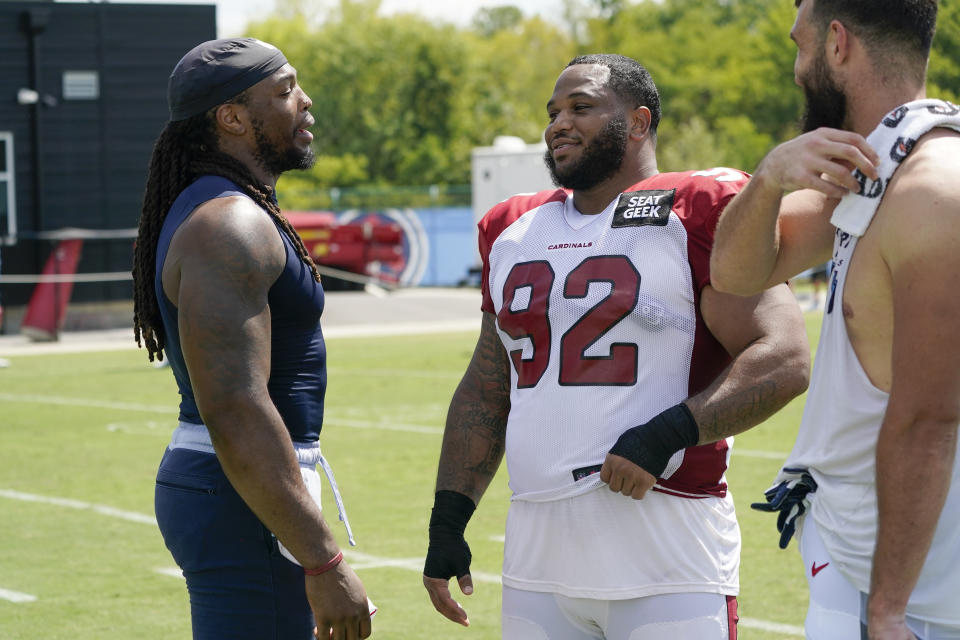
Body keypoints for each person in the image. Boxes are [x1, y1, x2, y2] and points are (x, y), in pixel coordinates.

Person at [422, 53, 810, 639]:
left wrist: (668, 433)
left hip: (667, 543)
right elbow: (488, 384)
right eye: (552, 111)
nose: (558, 123)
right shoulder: (513, 228)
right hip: (538, 552)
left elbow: (783, 356)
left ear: (637, 121)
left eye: (581, 107)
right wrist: (448, 518)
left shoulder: (696, 206)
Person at [710, 1, 960, 639]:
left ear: (838, 43)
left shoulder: (931, 190)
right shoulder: (878, 171)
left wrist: (887, 609)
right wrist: (767, 178)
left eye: (801, 46)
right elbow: (736, 275)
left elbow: (930, 417)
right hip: (858, 563)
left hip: (913, 596)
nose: (796, 70)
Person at [131, 38, 371, 640]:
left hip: (242, 485)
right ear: (232, 117)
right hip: (241, 488)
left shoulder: (229, 207)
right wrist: (323, 560)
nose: (306, 103)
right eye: (286, 90)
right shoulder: (229, 222)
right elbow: (235, 406)